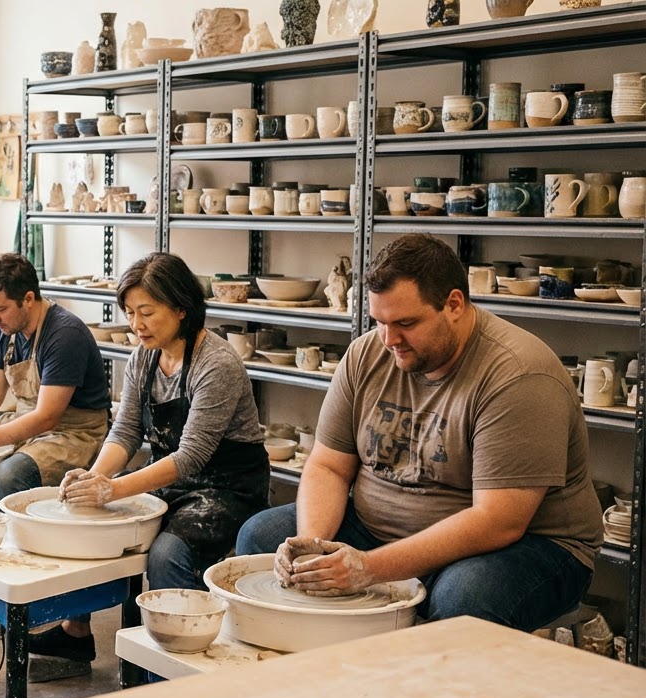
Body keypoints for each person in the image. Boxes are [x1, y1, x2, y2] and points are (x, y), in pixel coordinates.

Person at [236, 234, 601, 630]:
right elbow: (328, 466)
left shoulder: (517, 374)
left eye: (406, 323)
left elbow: (498, 521)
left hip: (525, 544)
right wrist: (316, 551)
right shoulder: (366, 355)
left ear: (454, 305)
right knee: (260, 536)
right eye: (380, 323)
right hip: (379, 528)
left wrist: (369, 567)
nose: (390, 340)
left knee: (465, 598)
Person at [36, 253, 269, 672]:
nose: (136, 324)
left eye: (147, 312)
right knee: (98, 524)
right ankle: (75, 634)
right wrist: (96, 477)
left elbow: (192, 455)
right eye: (129, 313)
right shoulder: (144, 356)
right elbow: (125, 431)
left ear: (182, 308)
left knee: (165, 555)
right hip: (175, 479)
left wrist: (116, 488)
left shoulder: (216, 363)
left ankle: (178, 667)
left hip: (226, 487)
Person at [0, 252, 110, 500]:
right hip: (26, 421)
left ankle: (21, 538)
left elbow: (46, 417)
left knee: (10, 475)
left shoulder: (65, 335)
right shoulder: (5, 331)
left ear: (28, 299)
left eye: (0, 309)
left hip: (74, 434)